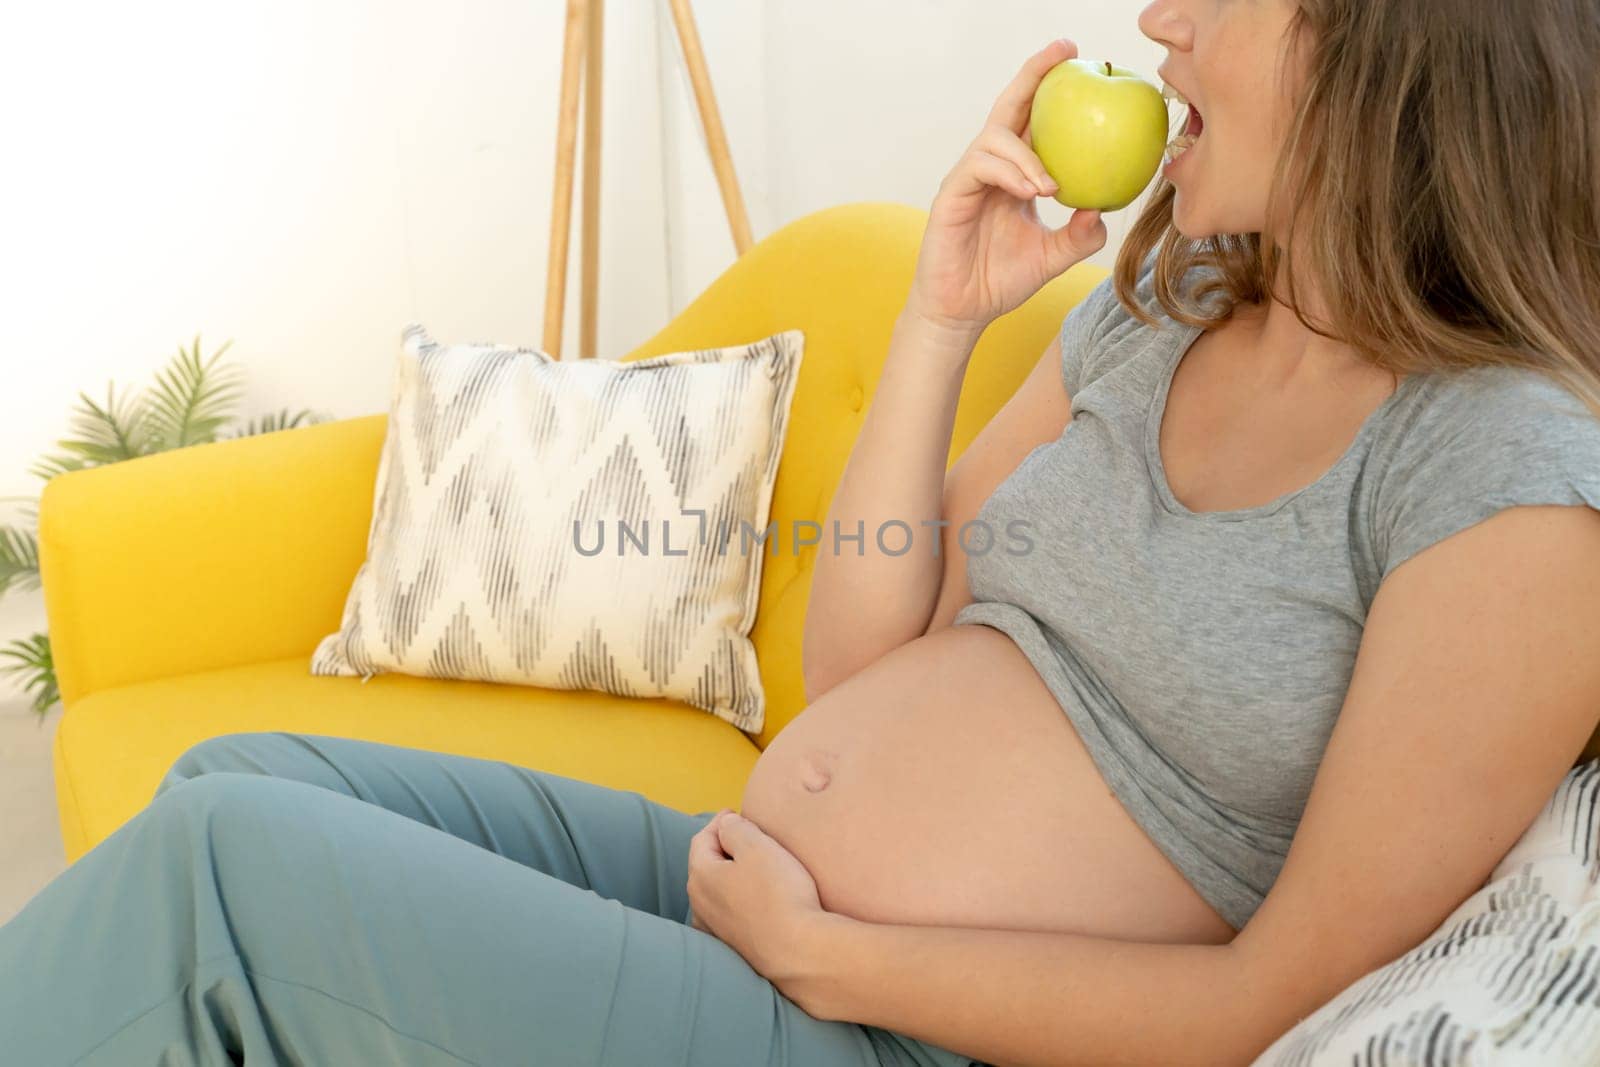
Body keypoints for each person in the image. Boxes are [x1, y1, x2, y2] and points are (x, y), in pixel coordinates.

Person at [7, 1, 1600, 1063]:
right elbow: (854, 664)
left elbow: (1275, 1000)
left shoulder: (1509, 481)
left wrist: (840, 966)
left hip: (909, 1030)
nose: (1161, 23)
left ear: (1404, 52)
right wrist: (938, 318)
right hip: (770, 905)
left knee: (228, 877)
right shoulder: (1166, 310)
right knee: (239, 781)